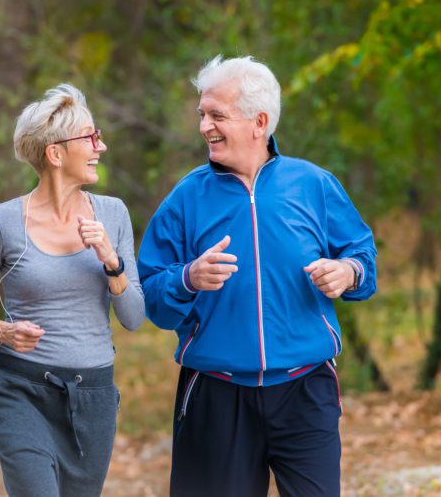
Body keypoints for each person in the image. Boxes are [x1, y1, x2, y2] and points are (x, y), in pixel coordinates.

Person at [137, 56, 377, 496]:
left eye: (217, 115)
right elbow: (149, 297)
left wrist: (348, 271)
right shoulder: (185, 198)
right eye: (202, 114)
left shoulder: (314, 185)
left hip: (306, 391)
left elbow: (364, 258)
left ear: (258, 122)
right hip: (216, 394)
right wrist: (188, 278)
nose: (204, 126)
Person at [0, 83, 144, 497]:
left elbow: (132, 318)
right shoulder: (2, 224)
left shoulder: (114, 215)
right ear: (55, 154)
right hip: (21, 392)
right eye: (91, 138)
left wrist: (112, 260)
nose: (101, 146)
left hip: (92, 399)